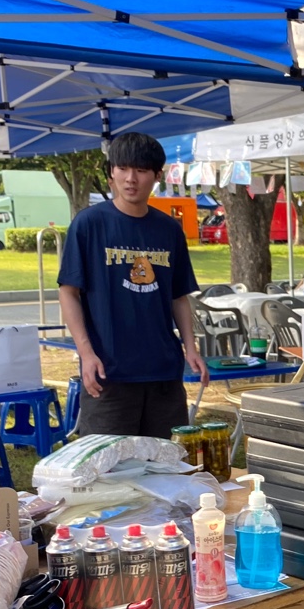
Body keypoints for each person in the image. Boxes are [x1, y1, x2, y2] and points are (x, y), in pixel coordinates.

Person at [58, 131, 209, 439]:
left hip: (163, 373)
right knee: (108, 463)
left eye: (141, 170)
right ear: (111, 172)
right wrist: (86, 353)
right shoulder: (89, 224)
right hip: (108, 373)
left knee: (165, 460)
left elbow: (178, 296)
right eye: (123, 169)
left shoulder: (169, 230)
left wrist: (191, 348)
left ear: (157, 176)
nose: (131, 179)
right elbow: (68, 292)